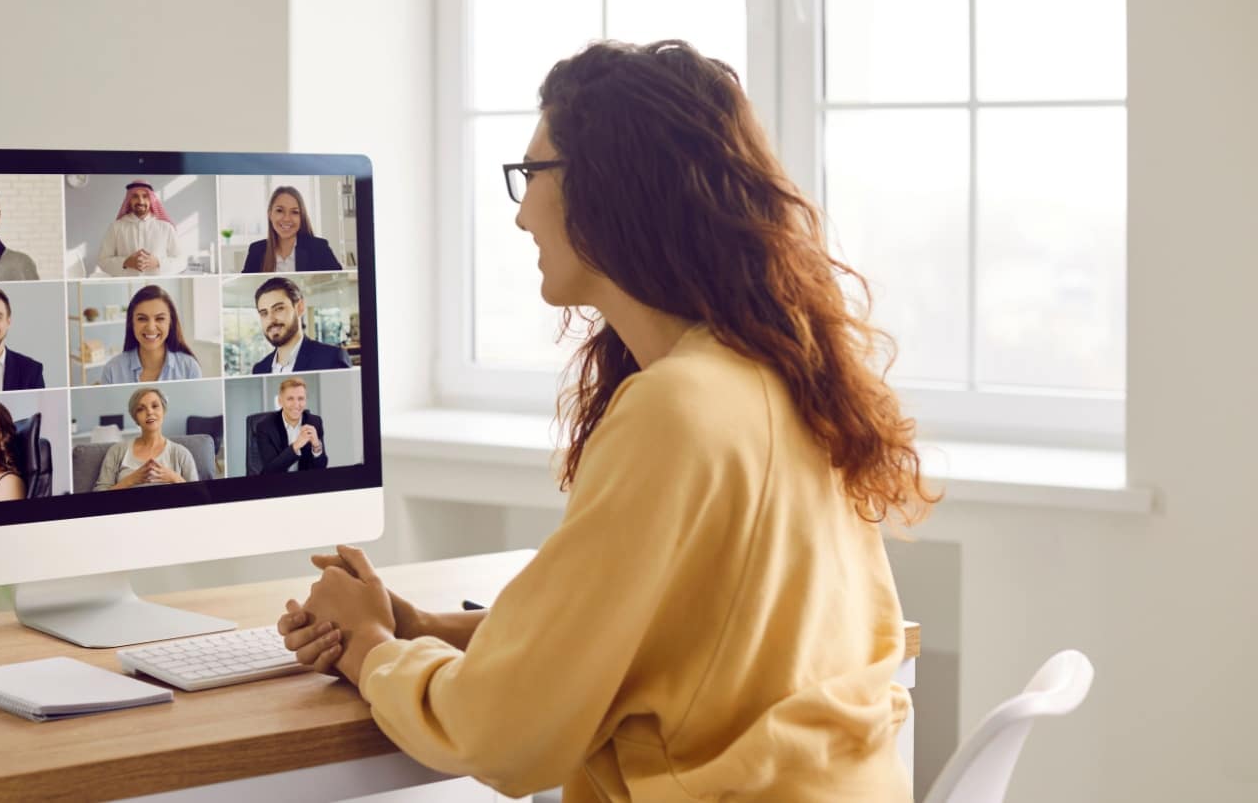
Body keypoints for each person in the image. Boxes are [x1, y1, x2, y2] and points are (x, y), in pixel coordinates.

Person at [275, 41, 938, 802]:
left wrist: (369, 649)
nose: (522, 213)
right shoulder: (780, 374)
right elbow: (643, 643)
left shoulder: (677, 410)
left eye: (532, 175)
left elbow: (501, 734)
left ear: (614, 186)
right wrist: (421, 625)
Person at [93, 387, 198, 490]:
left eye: (155, 406)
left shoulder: (181, 454)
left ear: (163, 411)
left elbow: (200, 496)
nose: (149, 412)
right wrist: (129, 480)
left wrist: (174, 478)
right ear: (135, 418)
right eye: (141, 409)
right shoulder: (117, 451)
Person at [98, 284, 203, 384]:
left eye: (160, 318)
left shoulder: (190, 368)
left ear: (170, 322)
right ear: (132, 323)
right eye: (142, 319)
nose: (151, 327)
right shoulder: (111, 371)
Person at [250, 277, 351, 374]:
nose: (271, 320)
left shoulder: (331, 359)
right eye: (264, 313)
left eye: (279, 309)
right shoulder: (260, 369)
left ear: (299, 308)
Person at [241, 186, 343, 273]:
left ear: (301, 217)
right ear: (270, 214)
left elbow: (340, 282)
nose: (286, 218)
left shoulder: (319, 248)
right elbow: (245, 289)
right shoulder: (256, 250)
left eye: (294, 212)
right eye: (280, 211)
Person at [98, 180, 185, 276]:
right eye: (135, 196)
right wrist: (126, 262)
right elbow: (103, 260)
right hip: (126, 286)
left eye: (145, 196)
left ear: (151, 199)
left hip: (157, 287)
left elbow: (181, 261)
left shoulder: (166, 227)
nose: (141, 201)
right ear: (129, 200)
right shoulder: (116, 227)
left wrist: (158, 262)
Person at [245, 377, 327, 475]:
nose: (296, 404)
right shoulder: (265, 426)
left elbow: (321, 467)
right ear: (280, 401)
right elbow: (270, 470)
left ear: (305, 401)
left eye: (300, 398)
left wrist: (316, 446)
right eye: (290, 399)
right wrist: (296, 445)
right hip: (276, 484)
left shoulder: (315, 422)